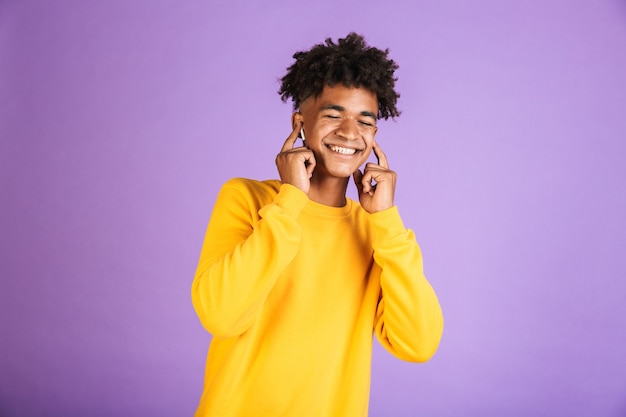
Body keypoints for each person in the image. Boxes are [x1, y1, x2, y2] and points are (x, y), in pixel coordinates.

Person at [191, 32, 444, 417]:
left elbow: (418, 344)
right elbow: (221, 316)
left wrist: (387, 223)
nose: (348, 132)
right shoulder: (249, 199)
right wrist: (290, 199)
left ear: (374, 135)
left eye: (365, 121)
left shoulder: (375, 231)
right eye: (332, 114)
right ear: (300, 122)